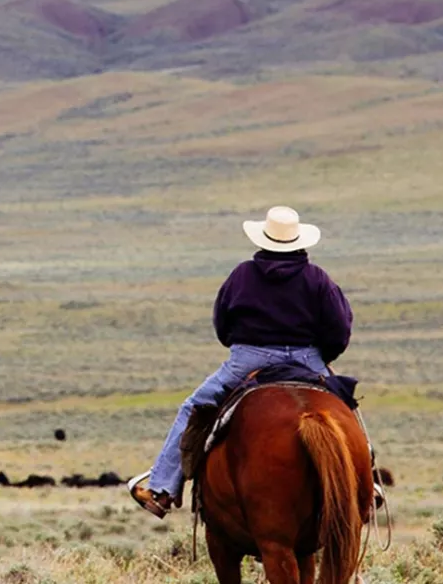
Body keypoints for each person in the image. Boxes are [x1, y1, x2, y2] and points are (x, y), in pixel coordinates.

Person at [128, 206, 354, 519]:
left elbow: (222, 323)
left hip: (250, 358)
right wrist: (321, 357)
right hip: (306, 358)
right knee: (347, 410)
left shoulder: (242, 275)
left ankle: (161, 488)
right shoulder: (318, 279)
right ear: (300, 242)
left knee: (194, 407)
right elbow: (339, 328)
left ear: (264, 239)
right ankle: (365, 488)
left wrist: (245, 348)